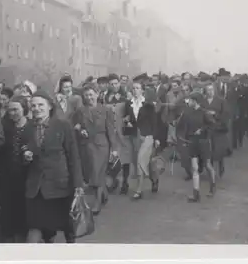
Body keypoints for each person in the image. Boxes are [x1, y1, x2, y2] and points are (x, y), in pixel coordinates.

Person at [23, 90, 84, 243]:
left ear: (50, 106)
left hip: (60, 187)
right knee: (37, 229)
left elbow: (73, 157)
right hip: (36, 189)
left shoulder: (63, 126)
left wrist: (78, 185)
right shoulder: (29, 128)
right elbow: (24, 154)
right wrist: (26, 157)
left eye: (40, 105)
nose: (36, 108)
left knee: (67, 228)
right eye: (33, 105)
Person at [73, 84, 118, 214]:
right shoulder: (80, 111)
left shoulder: (106, 110)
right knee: (91, 174)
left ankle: (97, 203)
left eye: (91, 94)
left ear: (97, 95)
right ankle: (104, 194)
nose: (89, 97)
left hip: (102, 145)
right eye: (86, 95)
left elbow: (110, 129)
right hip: (87, 145)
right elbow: (74, 124)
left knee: (97, 173)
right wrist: (80, 130)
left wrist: (114, 148)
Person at [0, 96, 32, 243]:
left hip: (27, 175)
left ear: (24, 109)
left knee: (24, 207)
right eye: (10, 110)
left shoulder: (32, 127)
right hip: (7, 175)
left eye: (16, 109)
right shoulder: (5, 127)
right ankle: (8, 236)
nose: (13, 113)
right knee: (7, 208)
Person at [122, 80, 160, 200]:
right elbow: (127, 119)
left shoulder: (148, 104)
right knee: (143, 162)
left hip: (147, 136)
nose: (135, 90)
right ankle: (154, 179)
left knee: (140, 161)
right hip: (134, 136)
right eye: (133, 88)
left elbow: (154, 122)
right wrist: (127, 122)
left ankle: (139, 190)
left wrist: (156, 138)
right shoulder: (128, 104)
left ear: (142, 90)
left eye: (137, 88)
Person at [178, 91, 214, 202]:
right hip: (192, 142)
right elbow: (181, 125)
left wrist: (202, 130)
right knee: (195, 168)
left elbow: (212, 124)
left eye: (191, 100)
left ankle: (212, 186)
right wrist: (182, 138)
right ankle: (196, 194)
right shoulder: (187, 112)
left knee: (208, 165)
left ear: (196, 101)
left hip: (203, 142)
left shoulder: (204, 113)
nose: (188, 102)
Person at [201, 83, 229, 177]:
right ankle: (211, 168)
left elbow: (225, 114)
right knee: (209, 150)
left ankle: (221, 164)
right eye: (208, 90)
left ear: (214, 90)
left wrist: (215, 115)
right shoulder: (203, 101)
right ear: (205, 91)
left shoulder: (221, 101)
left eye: (211, 90)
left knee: (218, 149)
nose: (210, 92)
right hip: (207, 128)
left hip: (218, 128)